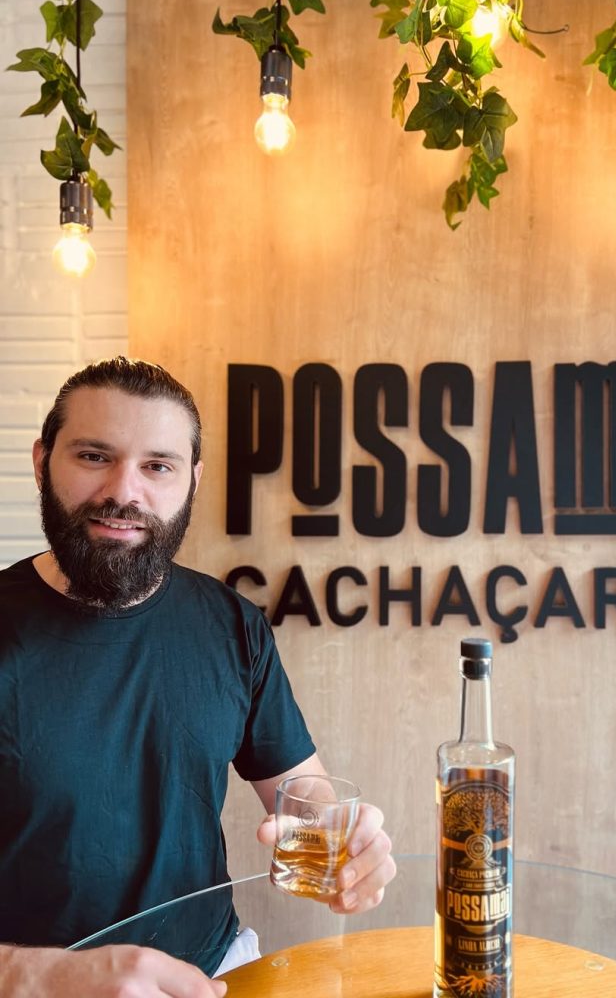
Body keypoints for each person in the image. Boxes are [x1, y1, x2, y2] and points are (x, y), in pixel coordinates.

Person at [0, 357, 396, 997]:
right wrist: (42, 975)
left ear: (192, 480)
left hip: (211, 975)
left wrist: (346, 842)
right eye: (94, 456)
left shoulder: (233, 624)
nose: (124, 492)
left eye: (158, 466)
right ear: (43, 461)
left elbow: (301, 791)